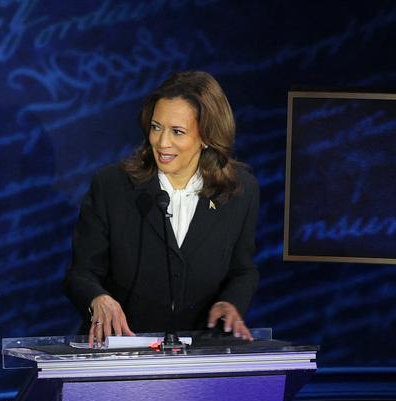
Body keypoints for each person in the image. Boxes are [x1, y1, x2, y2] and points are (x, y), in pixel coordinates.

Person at [65, 71, 259, 343]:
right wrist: (98, 298)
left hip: (199, 357)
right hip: (120, 350)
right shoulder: (112, 186)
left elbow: (242, 269)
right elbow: (81, 272)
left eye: (177, 132)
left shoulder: (239, 192)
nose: (162, 142)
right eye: (156, 127)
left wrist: (230, 303)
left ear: (207, 137)